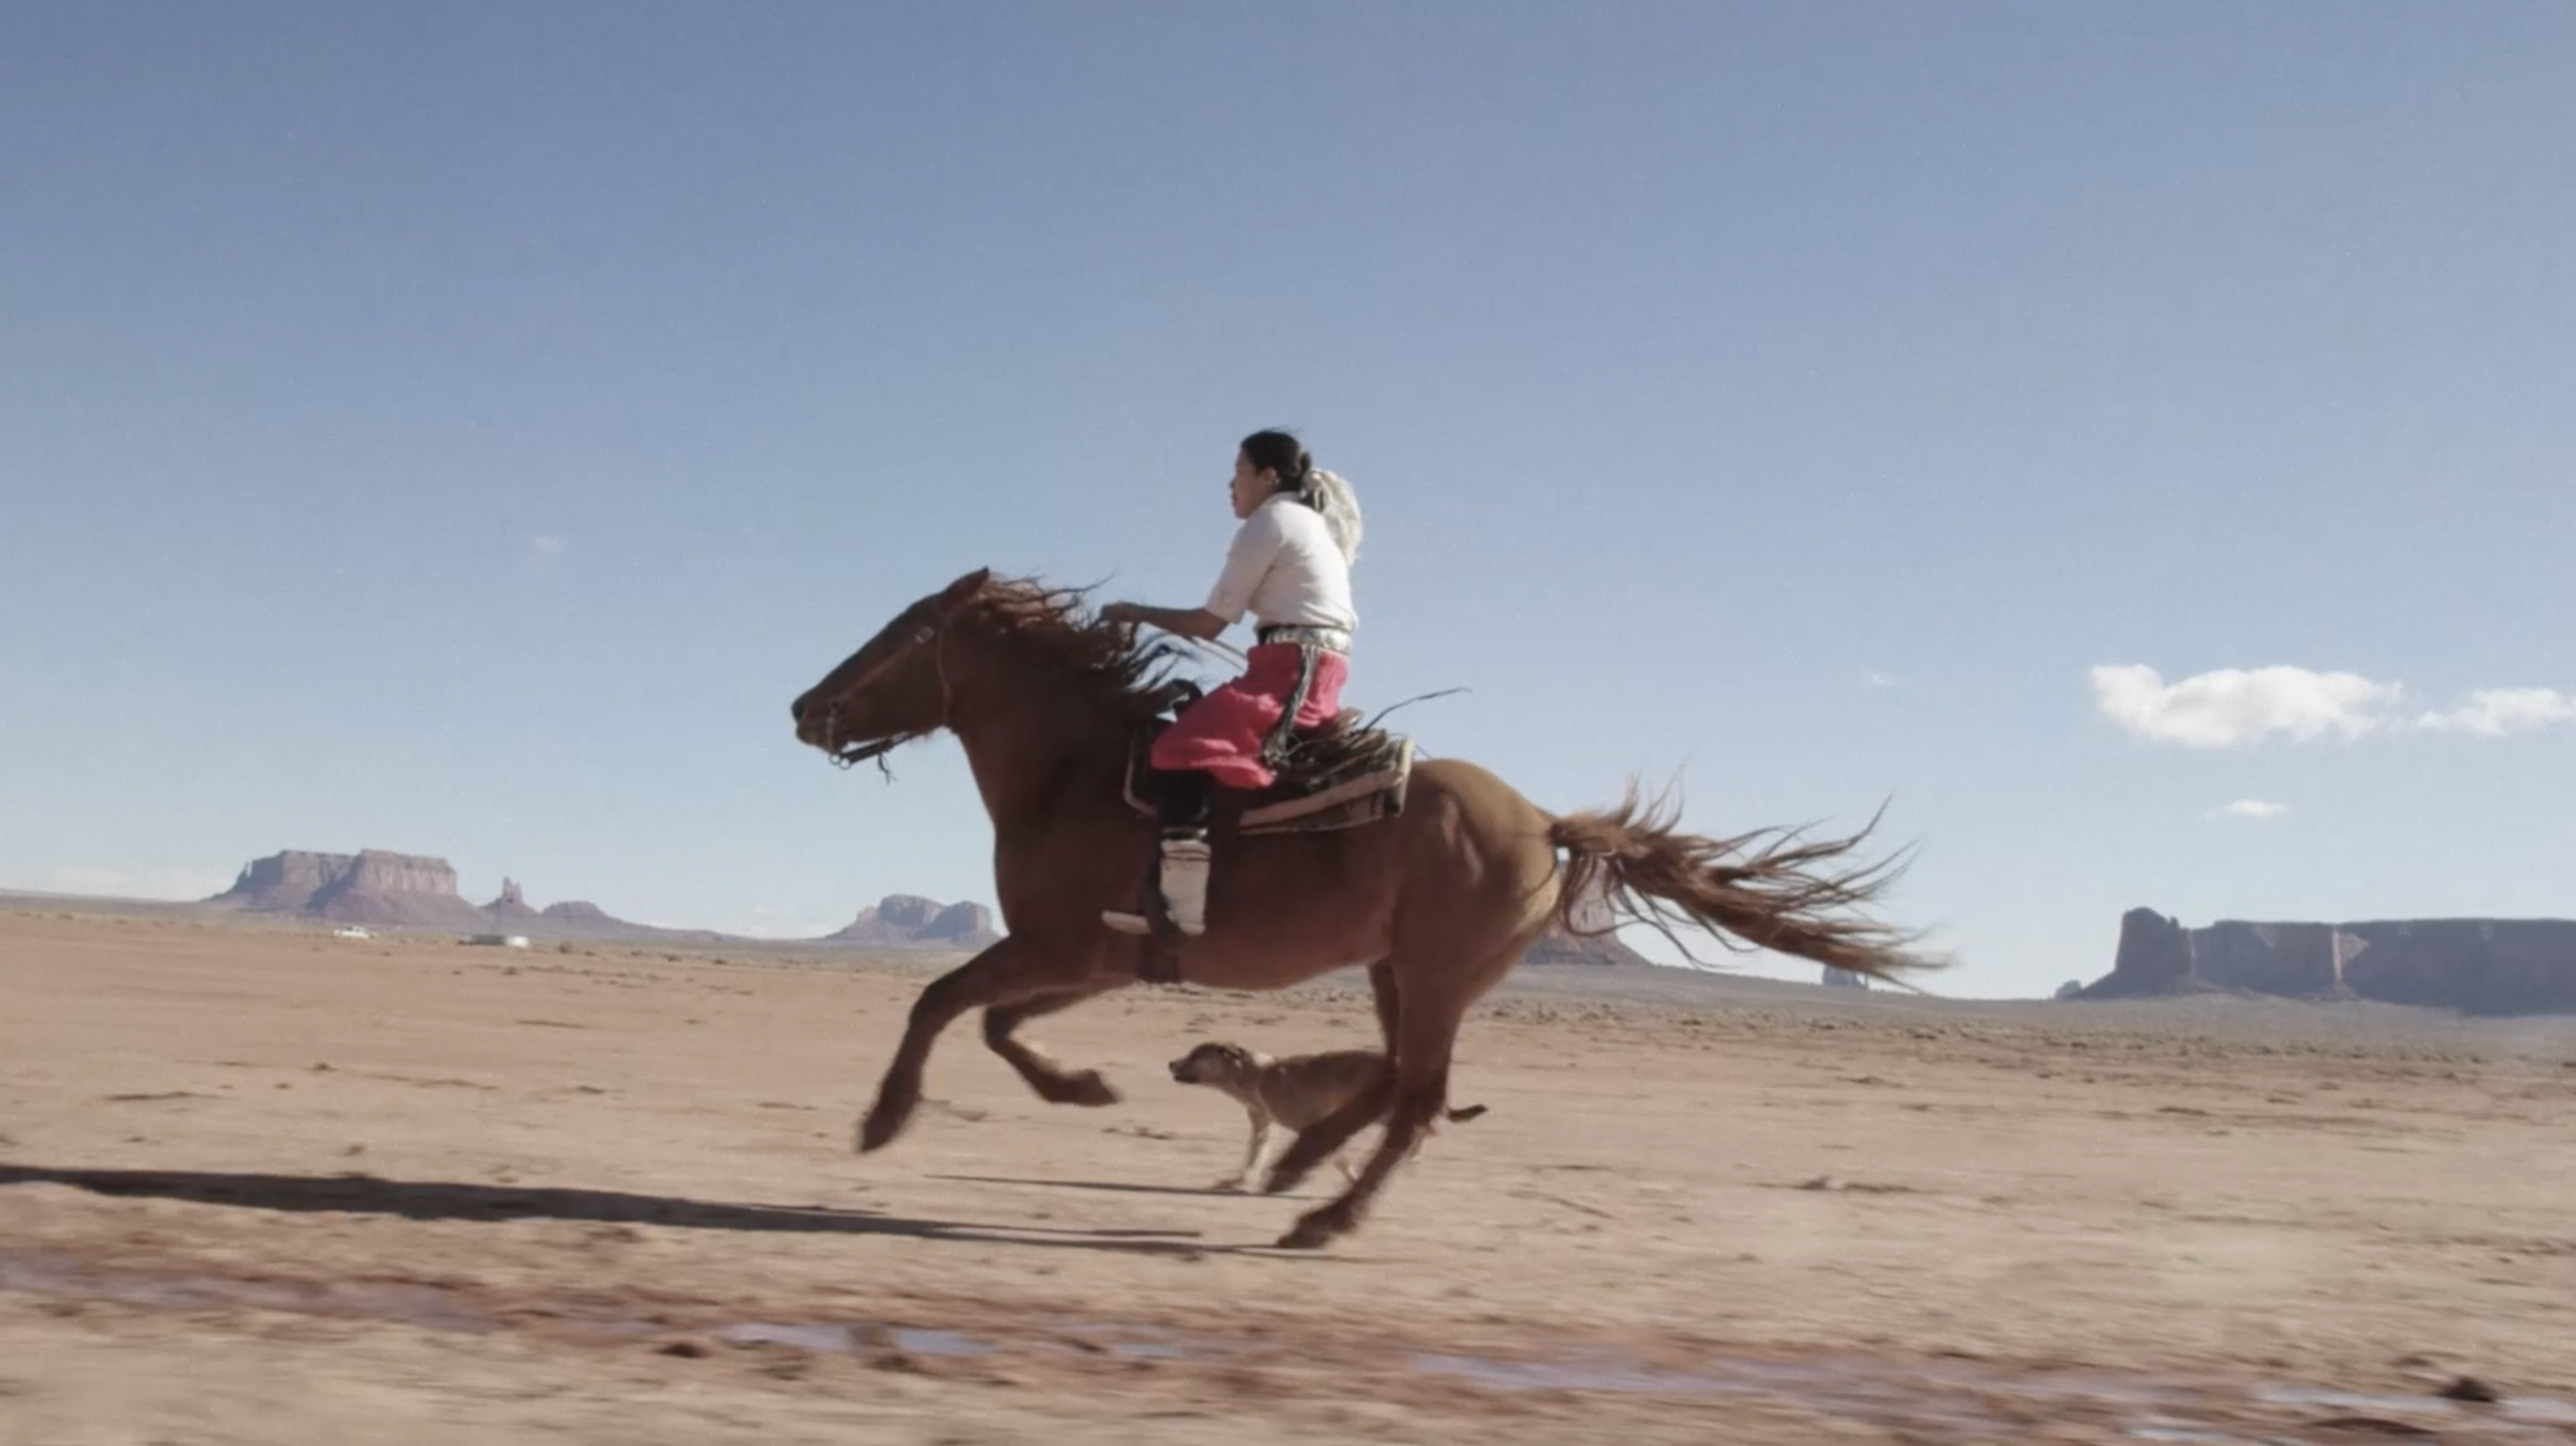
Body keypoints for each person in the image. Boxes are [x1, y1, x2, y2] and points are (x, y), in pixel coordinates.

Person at [1099, 429, 1363, 936]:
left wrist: (1134, 612)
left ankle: (1182, 906)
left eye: (1240, 472)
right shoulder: (1309, 524)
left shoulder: (1271, 521)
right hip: (1308, 662)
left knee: (1183, 746)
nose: (1231, 484)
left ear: (1268, 477)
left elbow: (1209, 624)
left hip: (1291, 667)